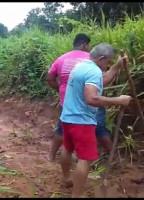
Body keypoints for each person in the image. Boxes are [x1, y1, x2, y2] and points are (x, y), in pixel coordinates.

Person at [60, 43, 132, 197]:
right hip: (82, 122)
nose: (107, 65)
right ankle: (76, 195)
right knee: (84, 159)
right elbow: (92, 98)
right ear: (101, 58)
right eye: (108, 62)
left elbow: (100, 81)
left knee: (67, 148)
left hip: (68, 117)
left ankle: (66, 178)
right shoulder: (93, 71)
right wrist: (118, 100)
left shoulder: (81, 66)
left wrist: (117, 66)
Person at [46, 33, 121, 161]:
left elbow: (49, 78)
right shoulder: (90, 61)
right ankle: (113, 158)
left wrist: (62, 90)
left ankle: (51, 155)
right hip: (88, 106)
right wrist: (116, 67)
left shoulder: (61, 59)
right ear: (85, 45)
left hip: (68, 103)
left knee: (62, 131)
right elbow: (101, 82)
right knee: (100, 130)